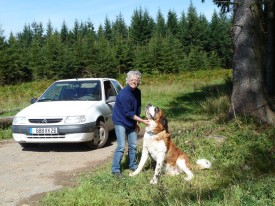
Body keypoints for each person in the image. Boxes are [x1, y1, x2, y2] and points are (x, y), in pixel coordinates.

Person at [111, 70, 149, 176]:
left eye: (136, 80)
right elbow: (128, 113)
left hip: (131, 121)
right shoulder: (123, 94)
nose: (134, 82)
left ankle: (132, 165)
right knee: (121, 146)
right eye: (132, 80)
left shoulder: (138, 92)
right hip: (120, 121)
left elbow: (138, 108)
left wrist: (136, 123)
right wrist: (142, 121)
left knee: (133, 145)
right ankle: (115, 169)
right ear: (127, 81)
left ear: (139, 82)